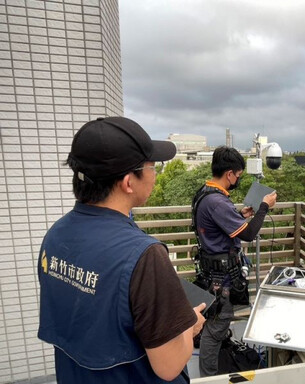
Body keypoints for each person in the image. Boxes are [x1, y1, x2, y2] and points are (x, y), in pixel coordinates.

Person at [37, 117, 206, 383]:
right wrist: (190, 325)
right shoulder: (143, 255)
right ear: (129, 182)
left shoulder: (56, 235)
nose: (154, 174)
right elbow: (169, 366)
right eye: (152, 167)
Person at [191, 146, 277, 377]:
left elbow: (219, 226)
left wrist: (241, 215)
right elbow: (248, 235)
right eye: (238, 175)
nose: (238, 179)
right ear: (229, 173)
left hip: (211, 271)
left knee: (214, 324)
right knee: (217, 327)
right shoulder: (218, 202)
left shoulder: (205, 193)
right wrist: (264, 207)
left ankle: (211, 370)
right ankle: (209, 378)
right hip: (222, 277)